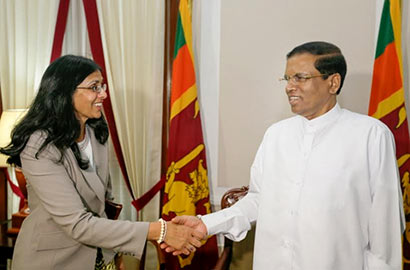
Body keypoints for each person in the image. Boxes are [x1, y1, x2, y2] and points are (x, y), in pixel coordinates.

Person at [164, 41, 405, 269]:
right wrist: (206, 224)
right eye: (288, 78)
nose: (290, 86)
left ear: (333, 83)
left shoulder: (370, 135)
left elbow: (385, 224)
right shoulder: (276, 135)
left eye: (301, 78)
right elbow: (258, 199)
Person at [0, 55, 203, 270]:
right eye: (94, 87)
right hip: (51, 262)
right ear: (64, 92)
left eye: (102, 86)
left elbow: (104, 204)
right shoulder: (39, 144)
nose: (104, 94)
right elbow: (77, 224)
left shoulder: (95, 133)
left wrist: (113, 254)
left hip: (97, 257)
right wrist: (160, 231)